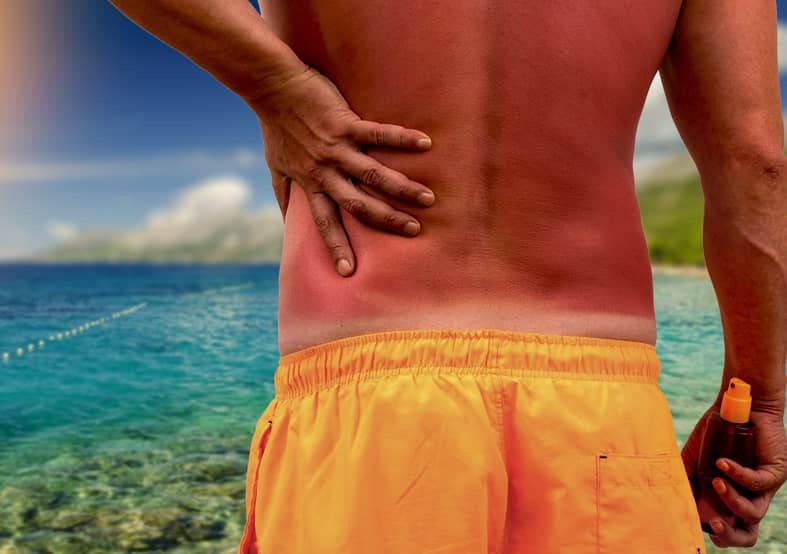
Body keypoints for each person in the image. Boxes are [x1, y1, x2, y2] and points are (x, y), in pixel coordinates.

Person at [109, 1, 787, 552]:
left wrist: (275, 88)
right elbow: (754, 164)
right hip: (600, 410)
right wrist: (754, 398)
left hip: (369, 407)